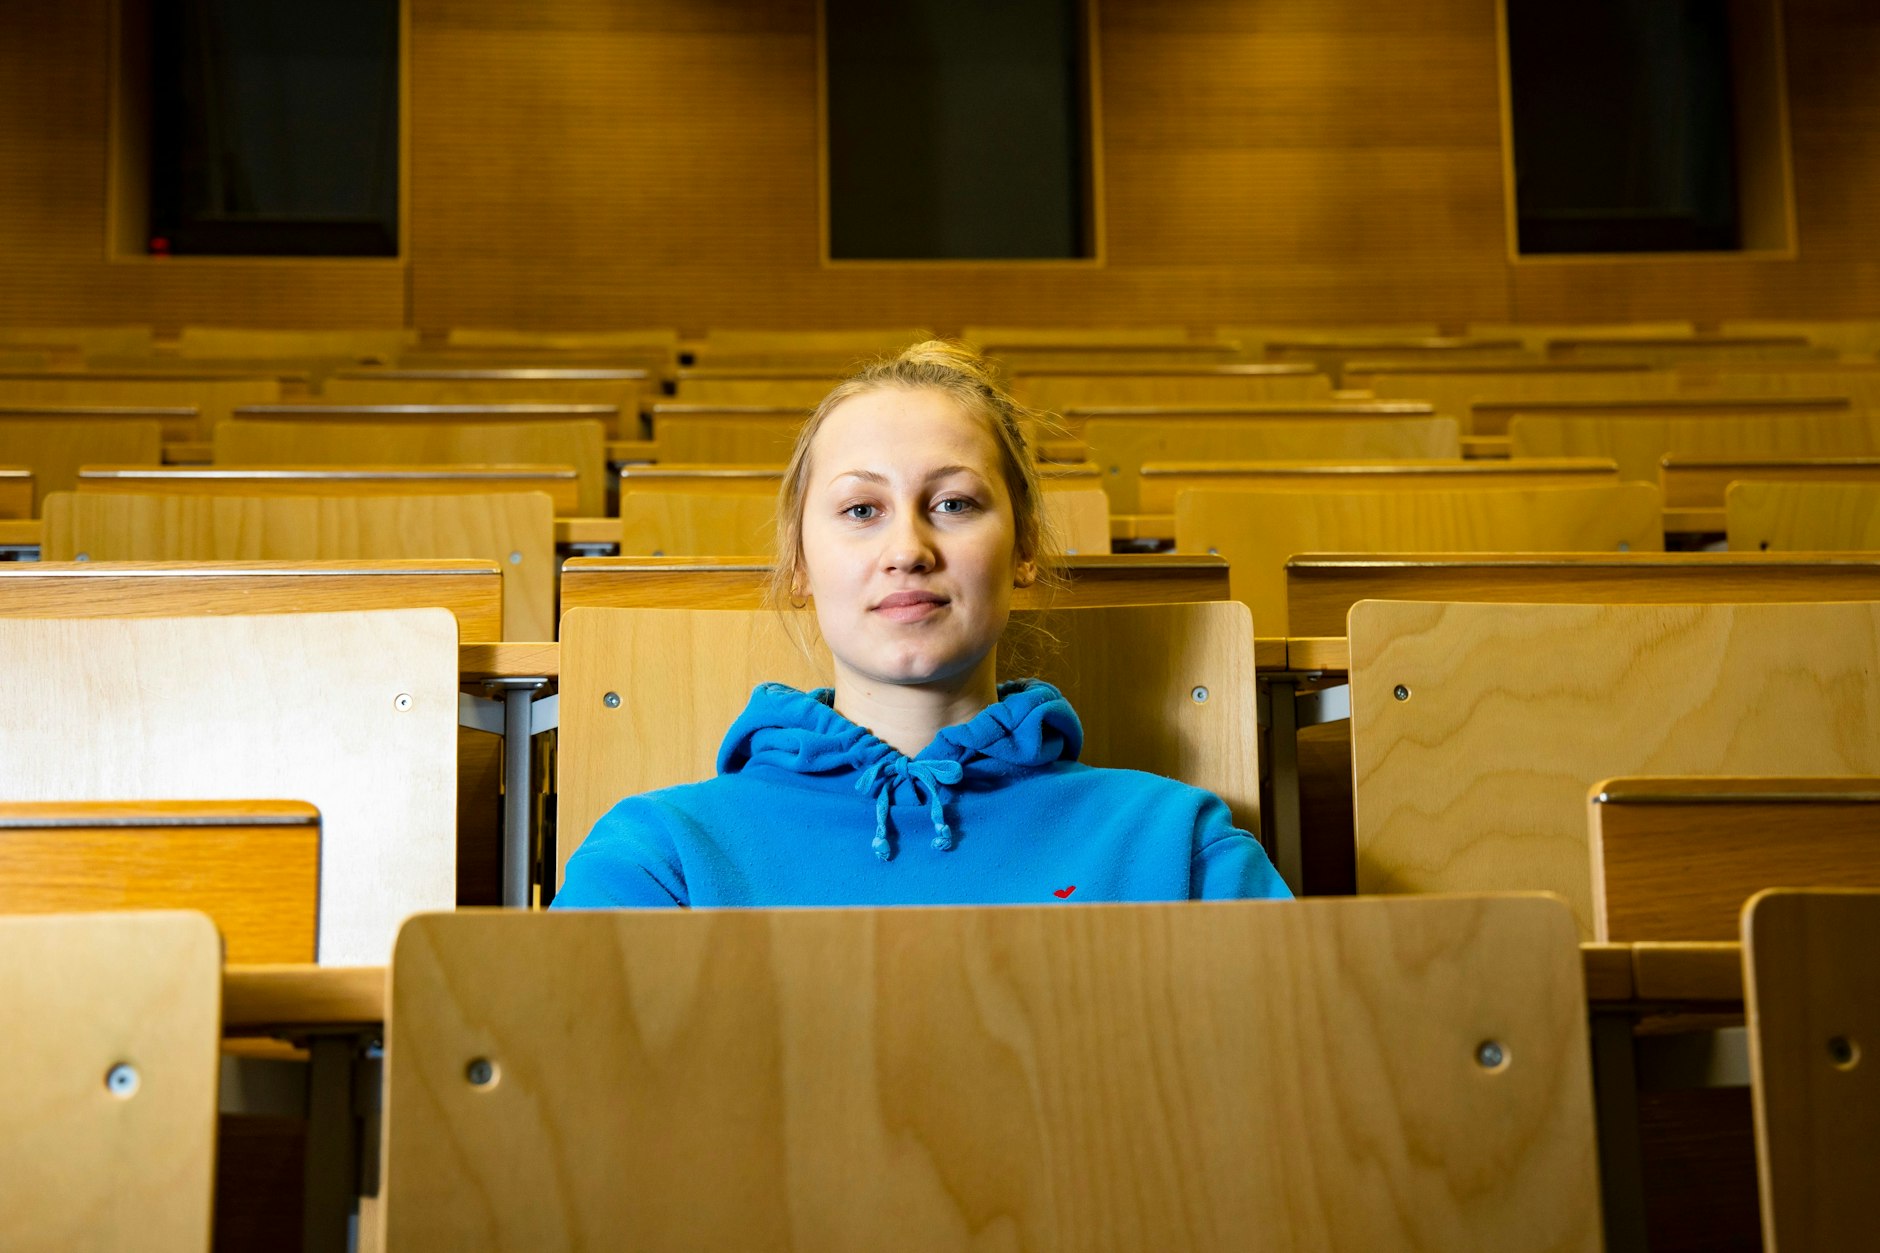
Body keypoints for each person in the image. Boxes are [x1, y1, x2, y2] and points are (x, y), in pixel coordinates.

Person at [554, 341, 1290, 908]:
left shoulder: (1176, 843)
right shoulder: (659, 856)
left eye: (954, 504)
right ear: (801, 562)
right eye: (861, 510)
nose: (907, 550)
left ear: (1024, 546)